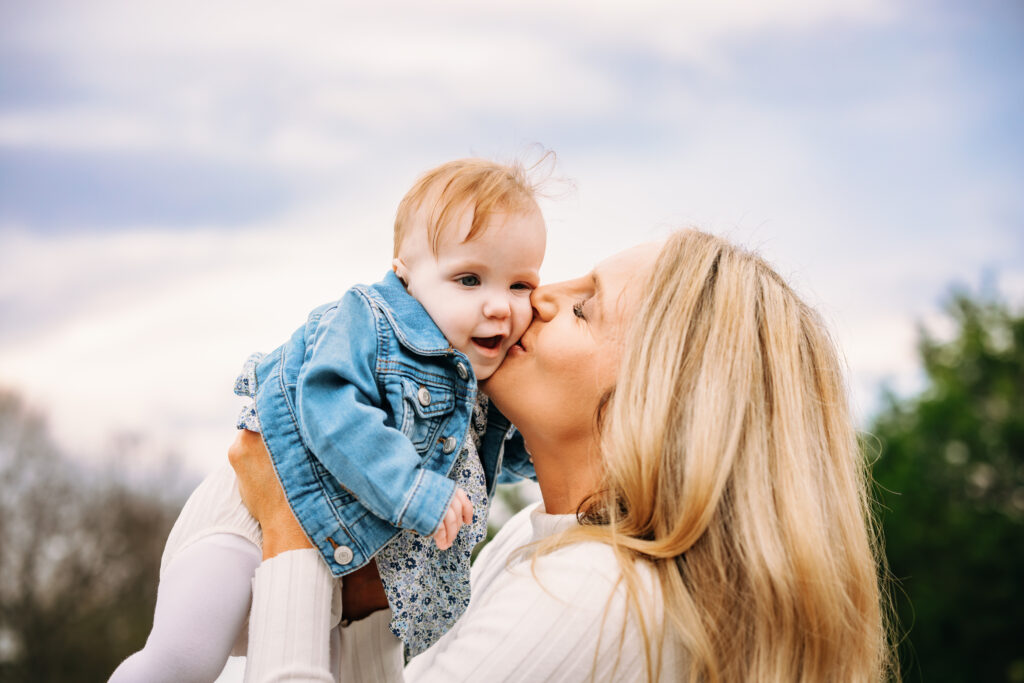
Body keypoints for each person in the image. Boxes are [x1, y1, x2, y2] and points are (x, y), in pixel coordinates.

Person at [230, 229, 895, 682]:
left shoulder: (593, 591)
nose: (536, 297)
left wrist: (289, 533)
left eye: (584, 308)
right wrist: (373, 602)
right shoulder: (538, 540)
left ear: (656, 401)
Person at [110, 158, 546, 682]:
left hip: (330, 577)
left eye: (520, 285)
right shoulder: (371, 321)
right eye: (469, 279)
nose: (499, 306)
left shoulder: (477, 380)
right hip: (246, 522)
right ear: (405, 272)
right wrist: (412, 491)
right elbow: (327, 400)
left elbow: (508, 449)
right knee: (183, 661)